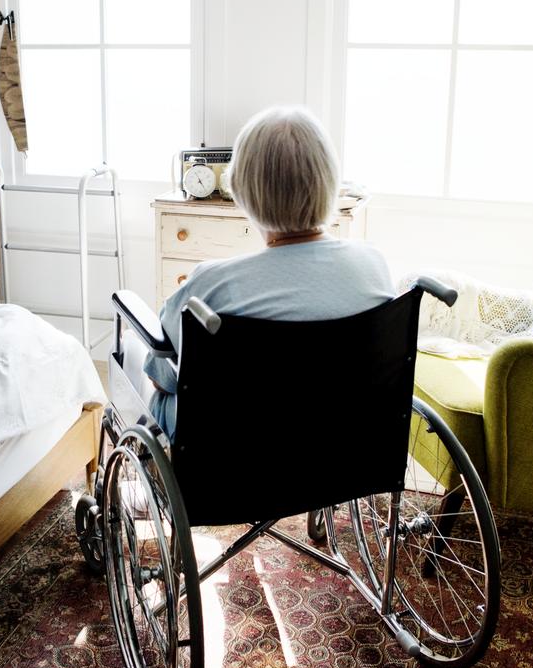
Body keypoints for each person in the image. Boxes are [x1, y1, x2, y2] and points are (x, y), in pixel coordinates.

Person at [126, 106, 395, 439]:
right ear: (330, 182)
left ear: (241, 189)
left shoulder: (210, 286)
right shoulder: (374, 266)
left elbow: (162, 375)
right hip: (342, 441)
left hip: (235, 449)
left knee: (134, 352)